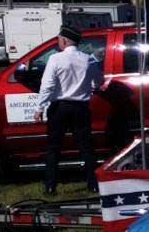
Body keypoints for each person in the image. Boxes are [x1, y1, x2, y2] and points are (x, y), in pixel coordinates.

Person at [34, 25, 104, 194]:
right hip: (81, 107)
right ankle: (93, 184)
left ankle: (51, 186)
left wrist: (39, 107)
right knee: (86, 148)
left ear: (64, 41)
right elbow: (99, 81)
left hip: (59, 108)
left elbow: (48, 85)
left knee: (53, 148)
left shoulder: (55, 59)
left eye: (59, 39)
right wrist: (90, 86)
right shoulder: (88, 59)